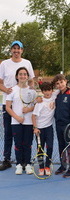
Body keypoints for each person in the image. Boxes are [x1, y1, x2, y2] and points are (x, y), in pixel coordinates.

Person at [0, 41, 35, 171]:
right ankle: (7, 159)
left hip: (25, 108)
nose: (16, 51)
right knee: (9, 133)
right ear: (11, 50)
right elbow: (0, 82)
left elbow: (31, 81)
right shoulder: (4, 64)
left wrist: (30, 92)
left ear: (22, 50)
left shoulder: (27, 63)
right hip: (8, 104)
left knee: (26, 137)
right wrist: (7, 90)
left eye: (18, 48)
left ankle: (26, 161)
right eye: (14, 48)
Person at [6, 67, 37, 175]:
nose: (23, 76)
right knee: (18, 144)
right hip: (16, 122)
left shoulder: (32, 91)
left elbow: (36, 106)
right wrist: (17, 118)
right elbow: (8, 107)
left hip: (29, 122)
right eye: (20, 74)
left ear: (28, 77)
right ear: (17, 76)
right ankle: (19, 165)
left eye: (25, 74)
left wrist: (29, 109)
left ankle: (28, 164)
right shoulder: (11, 90)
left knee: (27, 144)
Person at [52, 74, 70, 178]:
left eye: (61, 82)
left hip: (68, 125)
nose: (60, 85)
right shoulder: (57, 95)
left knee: (69, 147)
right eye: (57, 83)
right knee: (61, 146)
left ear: (65, 81)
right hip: (58, 125)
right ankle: (63, 166)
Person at [32, 82, 59, 176]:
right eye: (45, 90)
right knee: (40, 149)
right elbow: (33, 116)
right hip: (39, 129)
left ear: (52, 90)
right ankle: (41, 167)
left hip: (49, 128)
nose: (47, 92)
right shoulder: (40, 102)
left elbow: (63, 88)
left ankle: (47, 166)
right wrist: (35, 128)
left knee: (50, 147)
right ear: (42, 91)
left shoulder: (54, 96)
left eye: (49, 90)